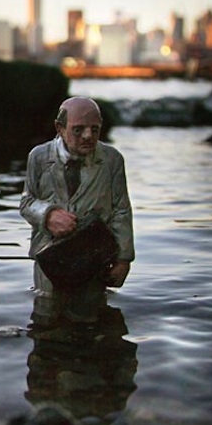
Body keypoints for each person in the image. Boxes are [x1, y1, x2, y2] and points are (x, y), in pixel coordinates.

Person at [19, 96, 134, 321]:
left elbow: (121, 210)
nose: (88, 136)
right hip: (49, 257)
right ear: (59, 128)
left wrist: (123, 259)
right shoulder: (39, 157)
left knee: (92, 317)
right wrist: (48, 214)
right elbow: (26, 202)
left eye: (95, 129)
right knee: (46, 316)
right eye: (78, 130)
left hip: (94, 257)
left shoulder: (112, 160)